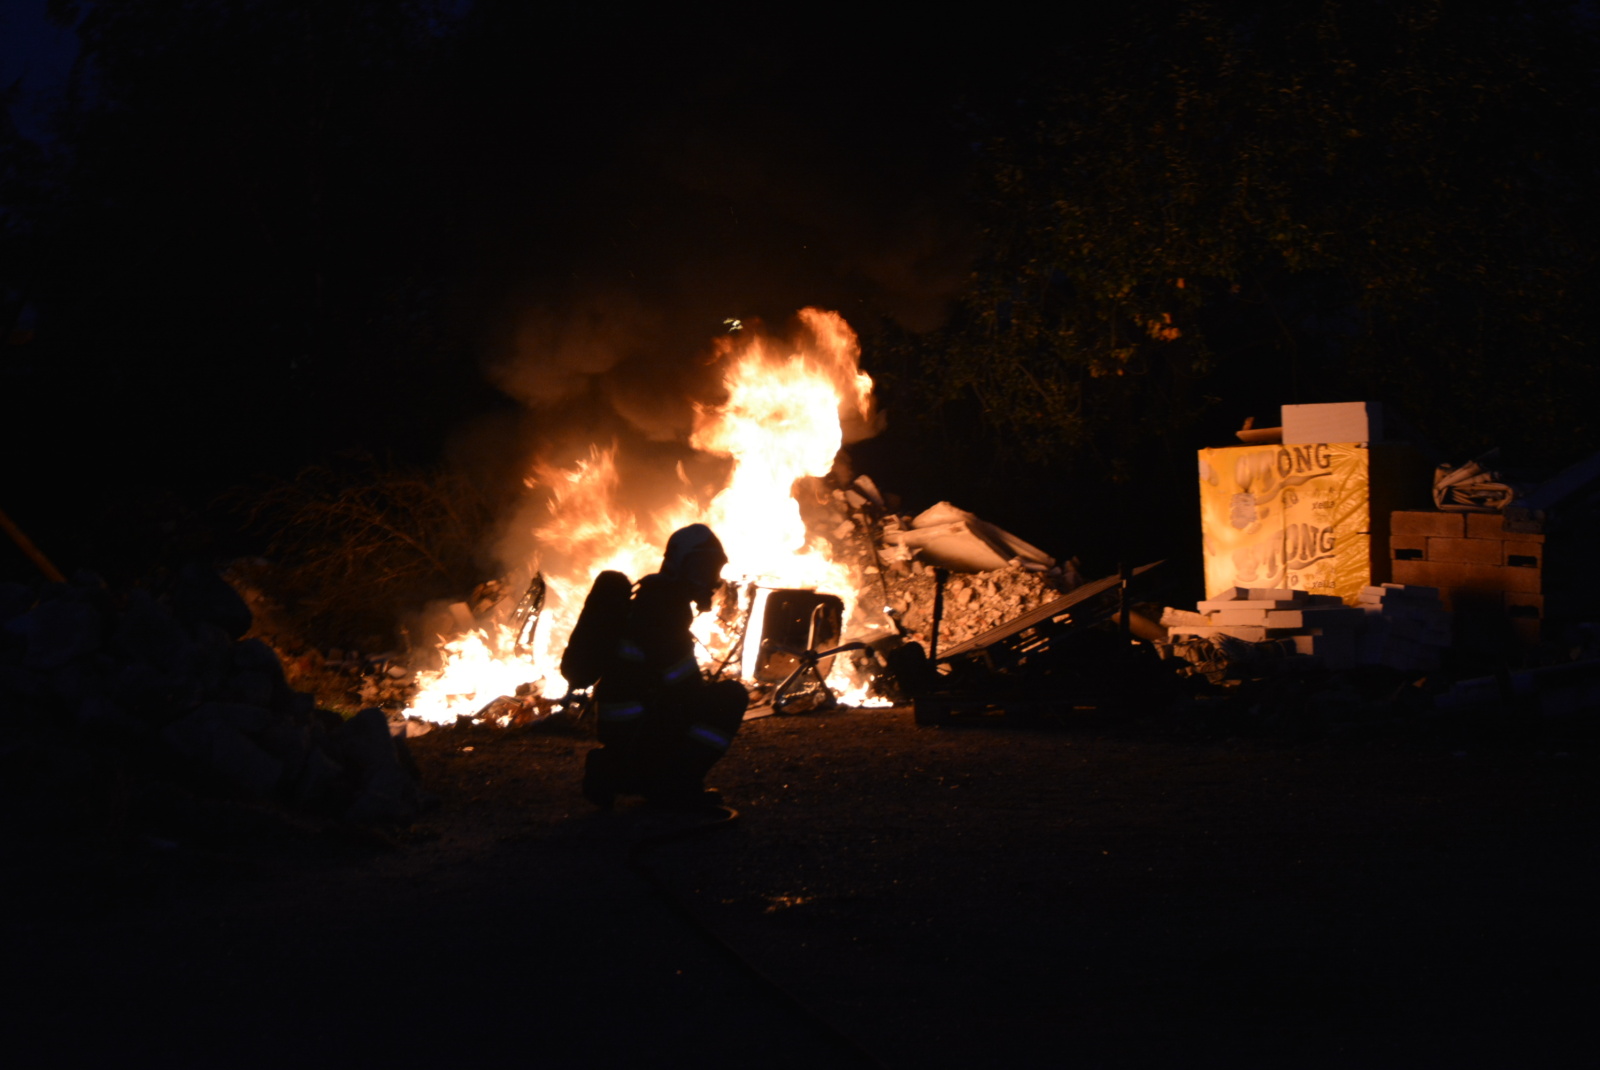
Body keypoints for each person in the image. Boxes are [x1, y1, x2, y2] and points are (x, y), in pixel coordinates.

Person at [581, 524, 748, 810]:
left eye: (714, 570)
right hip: (636, 729)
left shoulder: (656, 597)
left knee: (699, 703)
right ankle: (676, 786)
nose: (712, 581)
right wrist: (706, 694)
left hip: (626, 726)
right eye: (706, 569)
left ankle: (613, 770)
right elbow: (683, 687)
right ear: (683, 566)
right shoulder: (664, 608)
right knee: (730, 698)